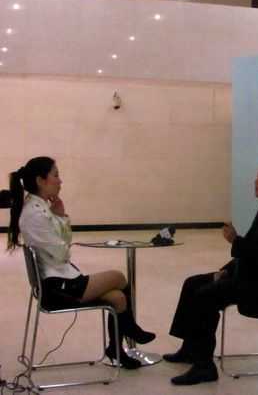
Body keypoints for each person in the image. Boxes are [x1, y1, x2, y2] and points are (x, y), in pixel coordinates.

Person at [7, 156, 155, 369]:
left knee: (118, 297)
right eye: (56, 175)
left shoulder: (40, 207)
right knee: (118, 277)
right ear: (41, 180)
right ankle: (131, 329)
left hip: (62, 279)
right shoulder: (34, 215)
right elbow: (62, 254)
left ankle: (116, 349)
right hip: (57, 287)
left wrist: (60, 216)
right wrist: (59, 220)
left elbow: (63, 244)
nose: (60, 181)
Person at [164, 161, 258, 385]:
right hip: (250, 275)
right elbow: (253, 251)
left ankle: (204, 366)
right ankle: (190, 349)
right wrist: (225, 270)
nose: (256, 181)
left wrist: (235, 240)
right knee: (192, 283)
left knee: (205, 296)